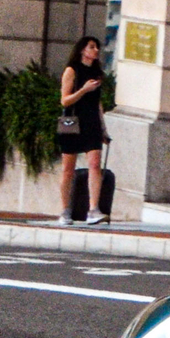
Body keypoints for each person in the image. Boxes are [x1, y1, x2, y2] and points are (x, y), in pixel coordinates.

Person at [55, 34, 109, 227]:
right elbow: (65, 100)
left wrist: (103, 127)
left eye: (96, 47)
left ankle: (93, 209)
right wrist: (84, 89)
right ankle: (65, 210)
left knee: (95, 164)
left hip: (92, 121)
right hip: (72, 122)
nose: (95, 51)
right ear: (82, 50)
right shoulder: (72, 71)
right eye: (92, 47)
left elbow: (98, 103)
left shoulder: (96, 72)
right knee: (68, 169)